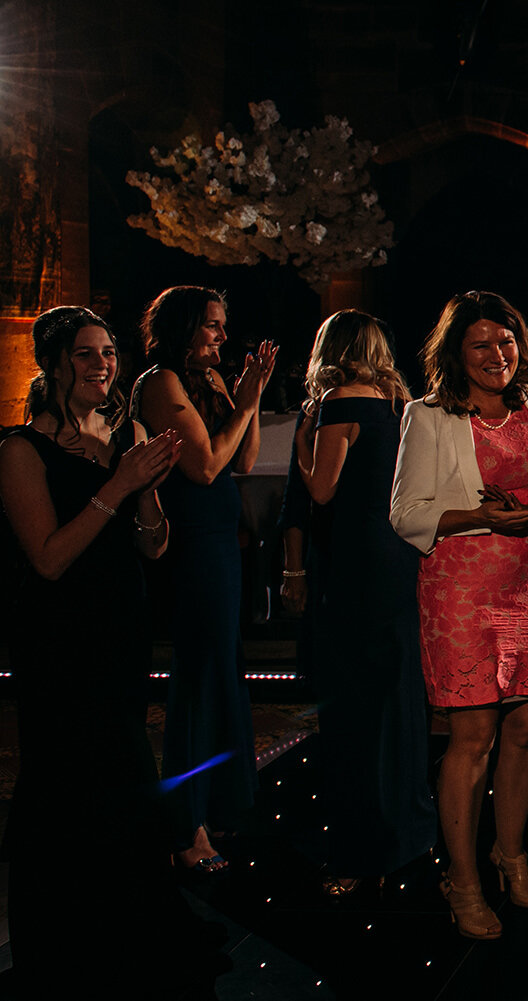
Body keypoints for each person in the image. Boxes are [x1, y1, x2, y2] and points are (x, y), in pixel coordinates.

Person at [0, 306, 226, 993]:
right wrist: (119, 485)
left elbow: (152, 544)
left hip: (120, 636)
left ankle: (125, 928)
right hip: (59, 644)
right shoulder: (19, 450)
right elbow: (47, 558)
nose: (105, 365)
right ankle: (64, 937)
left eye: (109, 353)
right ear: (57, 362)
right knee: (67, 782)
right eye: (89, 353)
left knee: (124, 782)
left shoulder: (123, 436)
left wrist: (148, 492)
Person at [390, 291, 528, 940]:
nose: (497, 355)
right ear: (456, 353)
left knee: (526, 726)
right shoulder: (428, 414)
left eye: (505, 341)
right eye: (481, 344)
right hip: (463, 590)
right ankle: (463, 881)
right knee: (472, 737)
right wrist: (481, 516)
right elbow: (407, 512)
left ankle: (512, 853)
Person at [289, 310, 436, 895]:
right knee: (397, 696)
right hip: (398, 557)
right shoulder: (394, 401)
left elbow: (321, 489)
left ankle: (361, 845)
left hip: (356, 564)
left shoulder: (341, 401)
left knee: (354, 706)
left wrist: (303, 444)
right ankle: (407, 829)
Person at [131, 286, 277, 873]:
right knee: (197, 676)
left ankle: (220, 807)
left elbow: (243, 462)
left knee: (224, 669)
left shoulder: (208, 382)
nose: (221, 335)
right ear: (183, 328)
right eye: (211, 326)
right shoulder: (159, 382)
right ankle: (185, 827)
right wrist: (240, 405)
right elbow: (205, 465)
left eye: (222, 324)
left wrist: (252, 397)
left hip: (221, 542)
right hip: (189, 545)